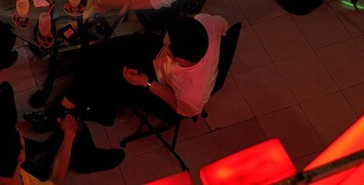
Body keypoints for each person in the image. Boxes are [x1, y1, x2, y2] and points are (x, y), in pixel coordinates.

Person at [25, 13, 229, 137]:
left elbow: (179, 107)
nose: (164, 42)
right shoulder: (205, 23)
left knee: (106, 75)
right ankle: (74, 102)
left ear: (181, 61)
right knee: (104, 53)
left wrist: (146, 82)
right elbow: (224, 25)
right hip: (156, 58)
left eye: (168, 45)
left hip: (158, 87)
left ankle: (63, 110)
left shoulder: (190, 93)